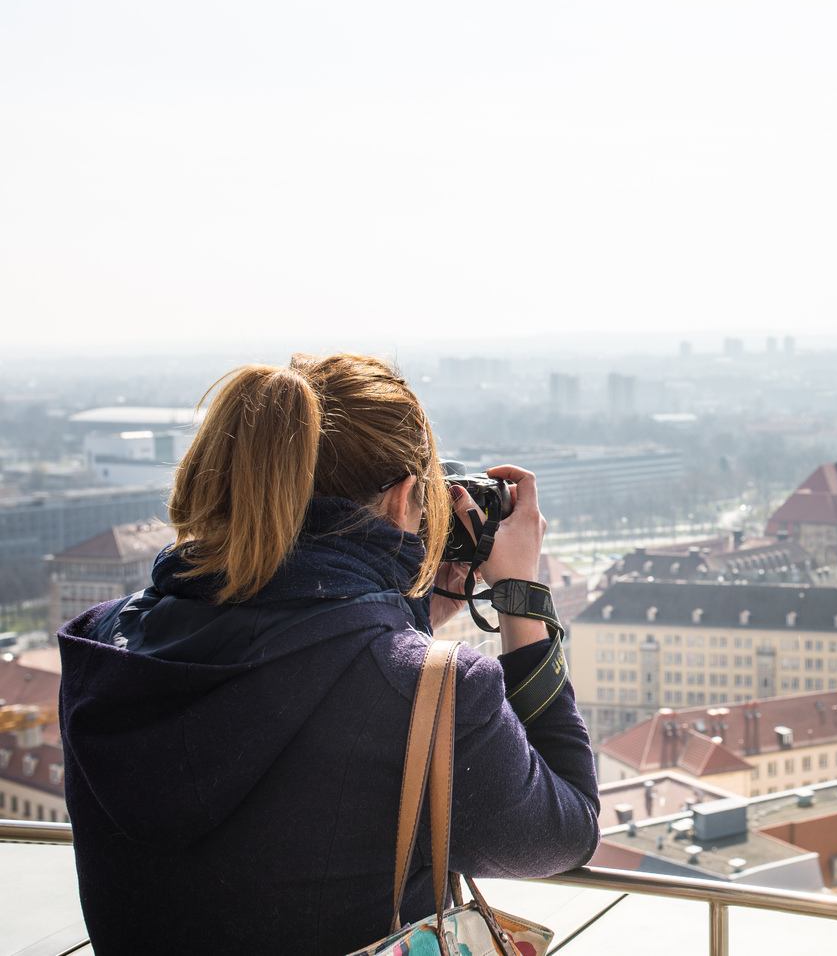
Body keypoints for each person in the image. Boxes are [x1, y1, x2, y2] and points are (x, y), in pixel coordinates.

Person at [55, 353, 599, 954]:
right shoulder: (437, 690)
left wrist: (399, 607)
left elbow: (298, 649)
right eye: (424, 507)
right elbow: (564, 831)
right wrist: (522, 598)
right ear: (404, 499)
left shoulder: (104, 642)